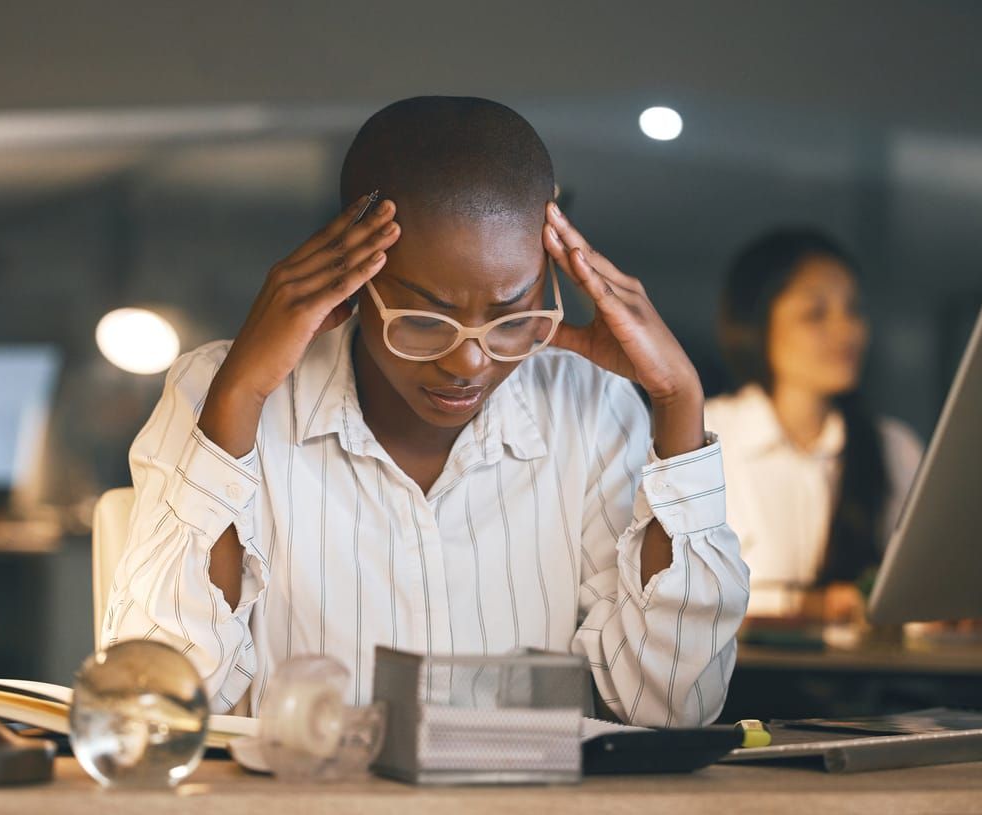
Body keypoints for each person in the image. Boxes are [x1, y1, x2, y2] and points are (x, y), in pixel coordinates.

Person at [103, 97, 748, 727]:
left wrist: (678, 401)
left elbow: (671, 704)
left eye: (511, 317)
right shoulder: (220, 390)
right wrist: (239, 395)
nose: (469, 361)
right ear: (352, 278)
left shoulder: (591, 404)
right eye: (423, 319)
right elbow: (158, 697)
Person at [705, 229, 923, 621]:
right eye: (815, 314)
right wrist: (806, 606)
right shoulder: (704, 436)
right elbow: (679, 595)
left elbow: (922, 582)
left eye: (853, 309)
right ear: (756, 325)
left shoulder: (893, 446)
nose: (847, 330)